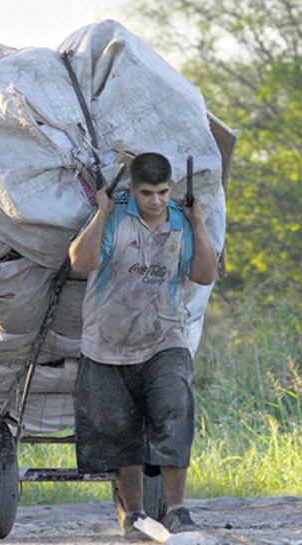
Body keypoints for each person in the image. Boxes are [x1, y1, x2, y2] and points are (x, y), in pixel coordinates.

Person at [68, 152, 217, 541]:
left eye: (163, 192)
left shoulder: (181, 224)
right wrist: (100, 213)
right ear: (132, 190)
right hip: (107, 343)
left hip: (165, 338)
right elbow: (80, 262)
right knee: (120, 433)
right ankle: (134, 515)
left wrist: (199, 222)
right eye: (147, 193)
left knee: (175, 409)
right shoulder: (115, 216)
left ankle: (179, 511)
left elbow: (203, 274)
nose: (156, 201)